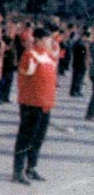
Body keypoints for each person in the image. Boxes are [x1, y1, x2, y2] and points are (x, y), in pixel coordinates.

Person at [13, 27, 59, 185]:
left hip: (45, 104)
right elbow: (24, 77)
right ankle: (18, 170)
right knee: (26, 138)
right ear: (38, 40)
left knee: (38, 138)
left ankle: (31, 167)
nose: (50, 42)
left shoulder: (48, 56)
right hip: (31, 103)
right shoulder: (30, 55)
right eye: (47, 39)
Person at [69, 31, 90, 97]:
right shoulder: (80, 44)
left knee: (77, 78)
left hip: (78, 63)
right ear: (85, 36)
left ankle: (76, 90)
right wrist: (86, 49)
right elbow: (83, 53)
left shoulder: (79, 43)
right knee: (78, 78)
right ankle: (75, 91)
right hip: (79, 64)